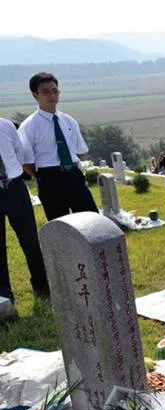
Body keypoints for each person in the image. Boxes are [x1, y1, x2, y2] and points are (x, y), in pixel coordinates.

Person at [18, 72, 98, 221]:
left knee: (91, 220)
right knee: (60, 224)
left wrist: (70, 168)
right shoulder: (29, 126)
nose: (52, 96)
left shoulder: (68, 121)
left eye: (55, 91)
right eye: (46, 92)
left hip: (73, 175)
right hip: (49, 179)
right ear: (35, 96)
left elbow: (80, 151)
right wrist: (42, 176)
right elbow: (26, 161)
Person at [0, 117, 49, 304]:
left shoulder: (5, 125)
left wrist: (11, 174)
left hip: (14, 187)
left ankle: (42, 285)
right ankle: (4, 295)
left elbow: (18, 152)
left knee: (30, 239)